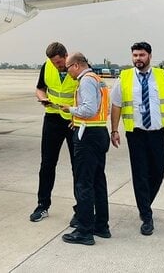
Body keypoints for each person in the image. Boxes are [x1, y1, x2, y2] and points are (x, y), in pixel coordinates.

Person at [110, 41, 164, 236]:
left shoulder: (162, 77)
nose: (138, 59)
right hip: (136, 134)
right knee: (140, 174)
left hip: (158, 133)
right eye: (135, 55)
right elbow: (116, 105)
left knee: (159, 171)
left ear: (150, 56)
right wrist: (114, 130)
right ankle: (146, 215)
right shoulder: (124, 77)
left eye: (141, 55)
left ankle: (145, 204)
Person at [58, 52, 111, 245]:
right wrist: (77, 121)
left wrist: (70, 110)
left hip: (88, 138)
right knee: (98, 181)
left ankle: (84, 230)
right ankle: (101, 225)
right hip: (98, 132)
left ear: (76, 65)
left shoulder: (86, 81)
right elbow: (100, 109)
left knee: (84, 183)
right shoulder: (98, 80)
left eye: (68, 68)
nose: (67, 72)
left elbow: (89, 109)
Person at [30, 41, 79, 225]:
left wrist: (77, 114)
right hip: (52, 118)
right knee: (47, 164)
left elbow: (87, 94)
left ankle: (80, 209)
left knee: (78, 166)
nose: (56, 66)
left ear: (66, 56)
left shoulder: (78, 66)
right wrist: (42, 98)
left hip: (73, 120)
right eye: (53, 63)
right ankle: (42, 205)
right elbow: (40, 87)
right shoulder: (47, 67)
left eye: (59, 62)